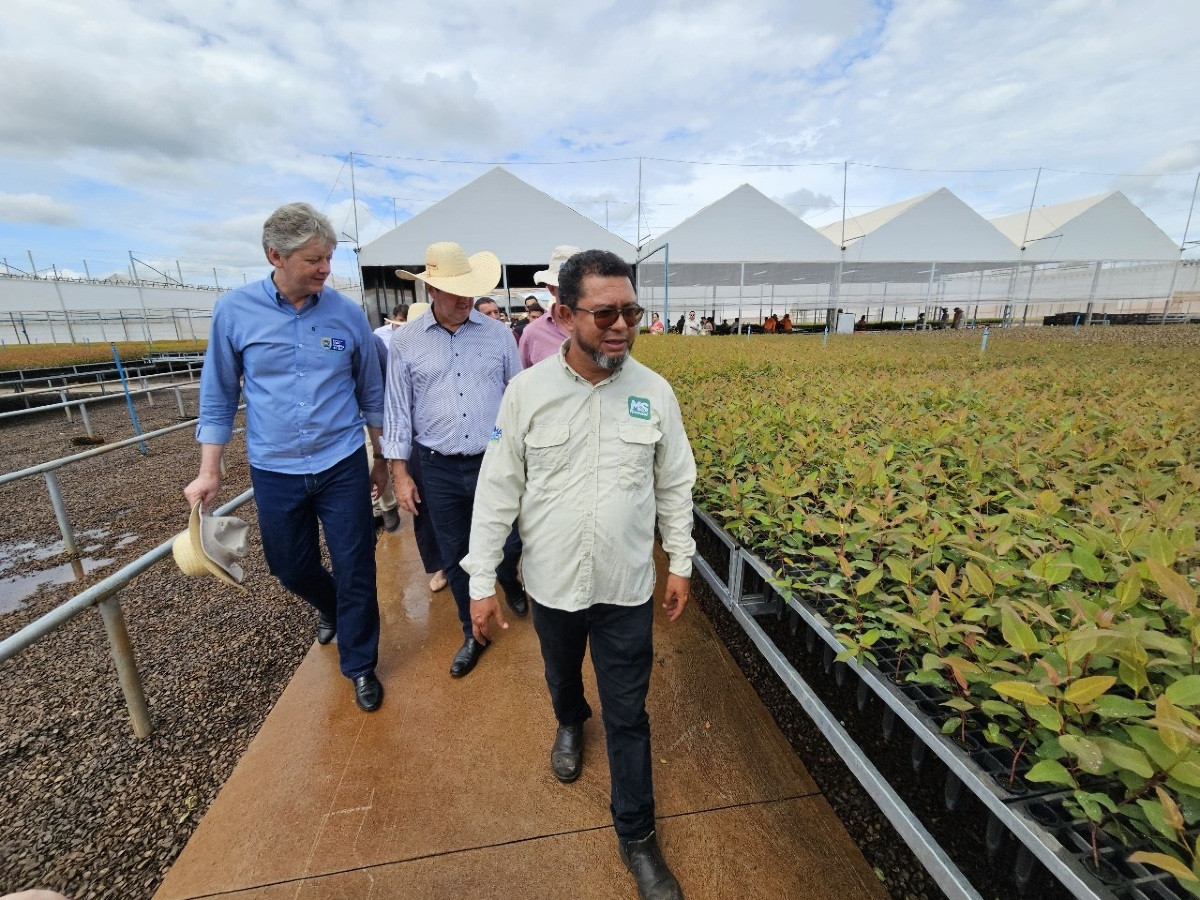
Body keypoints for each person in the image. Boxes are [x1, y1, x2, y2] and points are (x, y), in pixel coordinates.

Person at [464, 249, 695, 900]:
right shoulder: (527, 395)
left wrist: (680, 561)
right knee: (564, 676)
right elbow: (498, 491)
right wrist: (482, 579)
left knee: (629, 715)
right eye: (605, 313)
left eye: (631, 311)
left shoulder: (654, 393)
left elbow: (675, 483)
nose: (621, 326)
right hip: (555, 585)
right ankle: (569, 719)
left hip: (626, 588)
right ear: (564, 315)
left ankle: (638, 836)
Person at [186, 202, 385, 713]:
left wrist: (382, 456)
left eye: (329, 257)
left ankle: (360, 664)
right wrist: (210, 471)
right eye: (314, 260)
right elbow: (219, 395)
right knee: (289, 566)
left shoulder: (346, 314)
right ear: (275, 255)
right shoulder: (234, 311)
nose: (325, 269)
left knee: (356, 564)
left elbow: (371, 390)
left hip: (341, 461)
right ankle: (331, 605)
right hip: (274, 467)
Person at [383, 242, 528, 678]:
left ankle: (508, 579)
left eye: (470, 291)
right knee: (456, 552)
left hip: (494, 460)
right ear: (431, 290)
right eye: (455, 292)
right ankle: (472, 632)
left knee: (509, 539)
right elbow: (397, 409)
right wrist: (400, 474)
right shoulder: (405, 342)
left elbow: (518, 395)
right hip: (438, 465)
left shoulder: (498, 334)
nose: (465, 300)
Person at [382, 301, 447, 593]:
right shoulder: (401, 348)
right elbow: (395, 408)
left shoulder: (459, 346)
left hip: (457, 440)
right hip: (420, 442)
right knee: (426, 507)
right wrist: (398, 469)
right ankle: (443, 565)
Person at [519, 244, 580, 367]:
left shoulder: (599, 326)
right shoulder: (533, 333)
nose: (575, 293)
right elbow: (522, 380)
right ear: (552, 289)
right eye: (566, 288)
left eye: (579, 286)